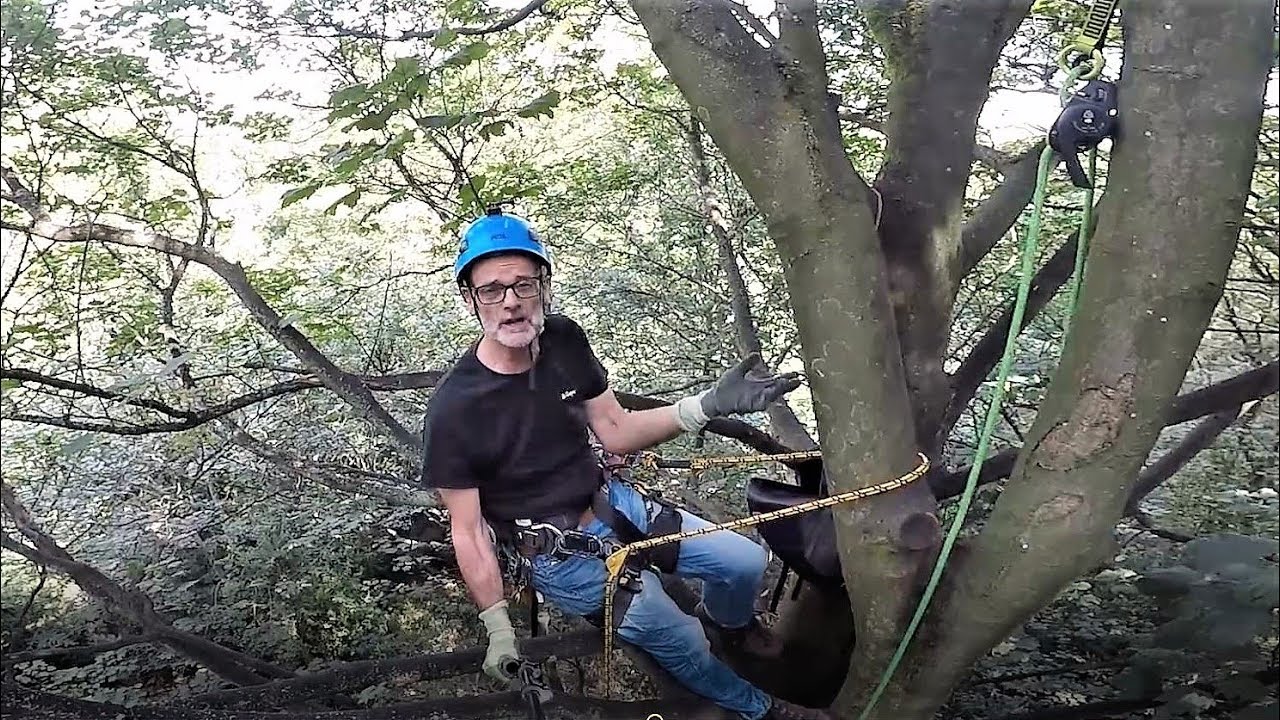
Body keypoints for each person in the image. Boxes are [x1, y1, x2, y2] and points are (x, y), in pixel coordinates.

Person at [421, 207, 833, 720]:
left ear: (544, 287)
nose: (511, 303)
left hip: (613, 504)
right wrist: (498, 627)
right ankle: (760, 709)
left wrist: (705, 405)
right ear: (470, 299)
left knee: (744, 561)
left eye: (524, 285)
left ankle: (734, 627)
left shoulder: (563, 341)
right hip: (559, 553)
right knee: (682, 639)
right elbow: (467, 530)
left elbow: (614, 428)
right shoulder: (455, 411)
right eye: (492, 289)